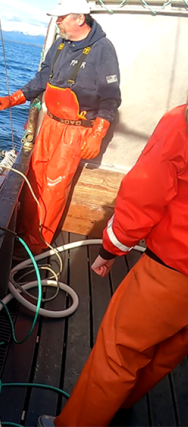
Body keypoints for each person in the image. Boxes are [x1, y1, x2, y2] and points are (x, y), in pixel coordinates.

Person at [38, 98, 188, 427]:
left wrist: (110, 249)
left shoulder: (182, 121)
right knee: (167, 352)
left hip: (174, 270)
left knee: (119, 354)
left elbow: (145, 194)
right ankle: (120, 403)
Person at [0, 0, 121, 254]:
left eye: (61, 18)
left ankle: (37, 244)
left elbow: (110, 97)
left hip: (75, 131)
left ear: (79, 19)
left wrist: (98, 133)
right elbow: (41, 79)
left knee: (54, 187)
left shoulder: (103, 49)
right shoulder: (60, 44)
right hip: (50, 124)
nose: (57, 22)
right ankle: (23, 231)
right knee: (34, 179)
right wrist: (13, 98)